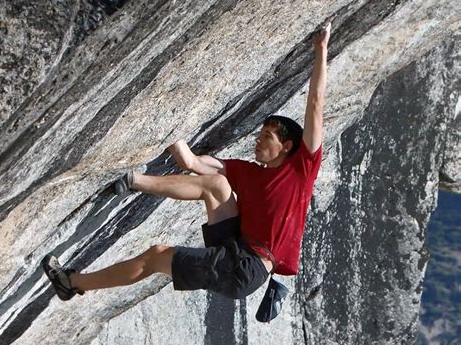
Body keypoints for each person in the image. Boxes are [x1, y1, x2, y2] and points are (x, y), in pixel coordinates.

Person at [42, 22, 331, 307]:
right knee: (218, 184)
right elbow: (191, 162)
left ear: (287, 146)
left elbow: (316, 104)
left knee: (155, 257)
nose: (258, 141)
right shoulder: (248, 172)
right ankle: (134, 182)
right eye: (260, 134)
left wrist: (320, 49)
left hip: (244, 270)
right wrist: (165, 116)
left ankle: (73, 283)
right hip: (237, 244)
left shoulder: (301, 170)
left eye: (266, 137)